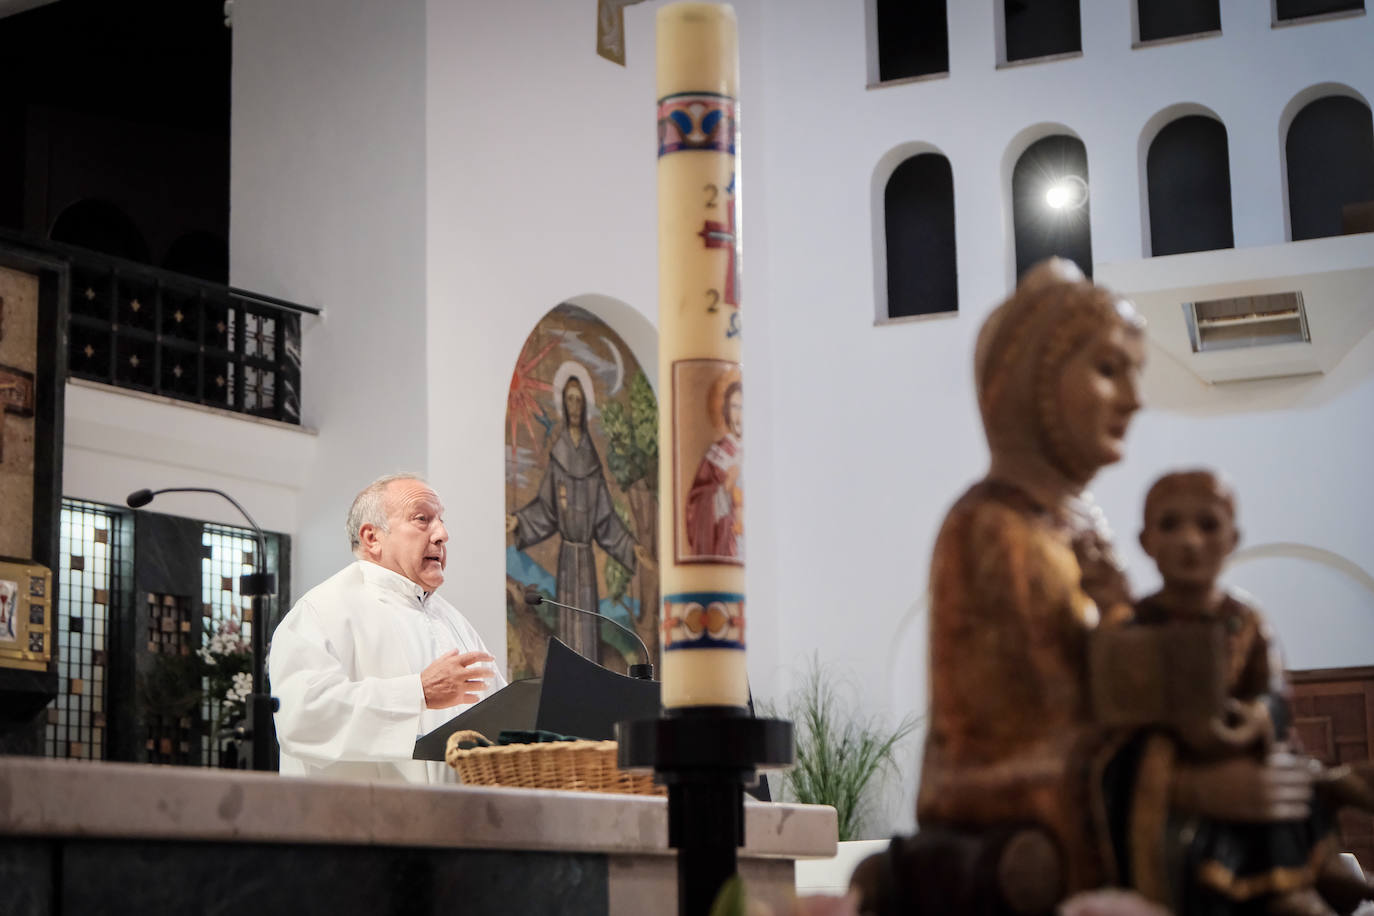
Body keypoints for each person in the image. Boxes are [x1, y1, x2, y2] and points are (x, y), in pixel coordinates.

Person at [1134, 470, 1374, 916]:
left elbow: (1273, 691)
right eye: (1170, 524)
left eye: (1207, 525)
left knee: (1282, 774)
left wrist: (1259, 716)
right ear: (1145, 541)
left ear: (1233, 538)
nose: (1189, 541)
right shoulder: (1135, 625)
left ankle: (1317, 867)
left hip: (1242, 743)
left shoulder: (1244, 619)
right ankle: (1283, 884)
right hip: (1172, 758)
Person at [270, 474, 505, 784]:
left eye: (441, 521)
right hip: (364, 822)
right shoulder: (322, 611)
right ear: (372, 538)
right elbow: (301, 716)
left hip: (460, 821)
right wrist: (416, 692)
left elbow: (502, 715)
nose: (442, 534)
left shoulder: (454, 621)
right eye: (422, 519)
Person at [506, 369, 644, 660]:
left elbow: (605, 518)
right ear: (563, 405)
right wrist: (520, 520)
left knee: (588, 623)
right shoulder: (559, 455)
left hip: (587, 560)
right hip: (568, 560)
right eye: (569, 400)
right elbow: (546, 506)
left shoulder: (592, 459)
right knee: (569, 625)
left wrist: (631, 547)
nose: (575, 406)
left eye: (579, 400)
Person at [685, 379, 743, 561]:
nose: (739, 416)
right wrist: (725, 488)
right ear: (726, 410)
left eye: (743, 407)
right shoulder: (717, 455)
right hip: (726, 541)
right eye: (734, 407)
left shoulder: (760, 453)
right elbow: (696, 504)